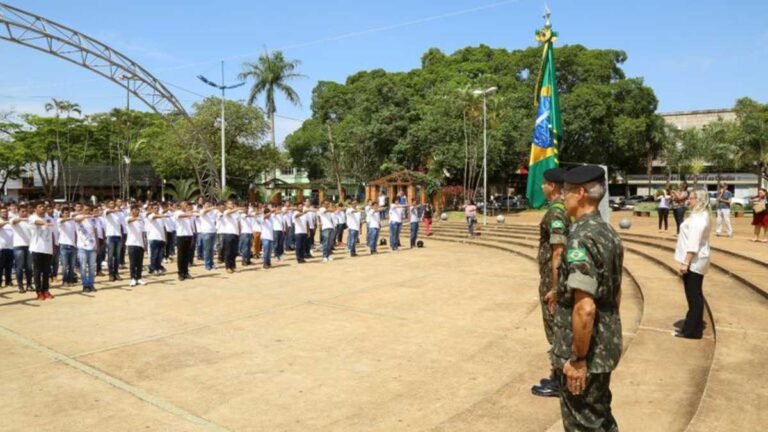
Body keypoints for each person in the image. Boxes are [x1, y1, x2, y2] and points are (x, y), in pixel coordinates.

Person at [554, 165, 623, 431]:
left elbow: (585, 308)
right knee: (599, 416)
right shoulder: (608, 232)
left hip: (587, 349)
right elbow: (616, 292)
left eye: (567, 192)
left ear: (581, 193)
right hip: (605, 341)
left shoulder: (580, 239)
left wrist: (578, 359)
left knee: (582, 422)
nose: (563, 197)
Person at [531, 167, 570, 398]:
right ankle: (557, 375)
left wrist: (554, 288)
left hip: (551, 280)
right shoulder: (562, 210)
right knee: (557, 327)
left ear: (553, 186)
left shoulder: (556, 213)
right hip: (551, 278)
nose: (542, 187)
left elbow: (558, 251)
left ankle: (560, 381)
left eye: (544, 184)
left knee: (555, 329)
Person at [674, 189, 711, 339]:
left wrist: (686, 262)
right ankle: (692, 329)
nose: (688, 200)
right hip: (696, 260)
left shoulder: (699, 219)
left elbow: (693, 243)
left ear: (699, 200)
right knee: (695, 295)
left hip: (694, 261)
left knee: (693, 296)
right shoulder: (699, 215)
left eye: (691, 198)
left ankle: (691, 331)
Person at [29, 202, 55, 300]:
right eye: (40, 206)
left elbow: (53, 233)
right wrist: (44, 223)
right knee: (37, 271)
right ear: (35, 209)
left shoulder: (50, 218)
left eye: (44, 206)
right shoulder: (32, 217)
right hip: (37, 249)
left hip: (47, 249)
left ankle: (46, 290)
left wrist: (54, 247)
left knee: (46, 271)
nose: (43, 208)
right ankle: (39, 292)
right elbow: (36, 222)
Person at [75, 205, 98, 293]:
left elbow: (95, 232)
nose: (87, 211)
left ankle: (91, 284)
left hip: (92, 247)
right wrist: (85, 215)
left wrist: (97, 245)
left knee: (92, 268)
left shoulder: (93, 220)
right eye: (85, 210)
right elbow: (77, 219)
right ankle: (85, 285)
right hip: (82, 247)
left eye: (88, 210)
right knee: (83, 267)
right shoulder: (79, 218)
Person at [11, 205, 33, 293]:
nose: (24, 213)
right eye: (22, 211)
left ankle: (29, 284)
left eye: (25, 211)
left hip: (30, 246)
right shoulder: (14, 219)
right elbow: (14, 221)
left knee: (29, 267)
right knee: (19, 267)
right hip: (18, 245)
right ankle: (20, 286)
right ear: (18, 212)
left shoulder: (30, 220)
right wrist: (24, 219)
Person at [174, 201, 195, 281]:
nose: (186, 206)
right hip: (181, 236)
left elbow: (191, 226)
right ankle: (180, 273)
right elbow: (181, 216)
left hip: (189, 235)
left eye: (187, 205)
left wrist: (192, 236)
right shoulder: (177, 212)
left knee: (187, 255)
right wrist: (191, 213)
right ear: (180, 206)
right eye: (184, 205)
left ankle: (186, 272)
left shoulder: (189, 214)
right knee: (181, 255)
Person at [126, 205, 146, 287]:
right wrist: (137, 219)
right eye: (134, 210)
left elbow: (142, 233)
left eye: (137, 210)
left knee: (140, 263)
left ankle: (139, 277)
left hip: (140, 244)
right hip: (132, 243)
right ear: (131, 211)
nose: (136, 212)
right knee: (133, 263)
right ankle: (132, 278)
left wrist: (144, 244)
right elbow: (129, 220)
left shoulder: (141, 221)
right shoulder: (127, 218)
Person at [57, 207, 78, 287]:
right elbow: (61, 220)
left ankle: (70, 280)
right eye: (65, 213)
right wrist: (70, 218)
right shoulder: (60, 220)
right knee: (65, 265)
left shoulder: (72, 222)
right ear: (62, 214)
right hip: (64, 246)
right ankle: (64, 281)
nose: (67, 214)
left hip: (73, 246)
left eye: (68, 212)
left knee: (72, 265)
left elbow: (75, 233)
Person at [103, 200, 123, 281]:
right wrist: (116, 210)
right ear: (108, 205)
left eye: (113, 203)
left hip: (118, 236)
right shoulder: (106, 211)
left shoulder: (118, 213)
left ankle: (116, 273)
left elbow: (120, 225)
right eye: (111, 203)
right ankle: (111, 274)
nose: (113, 204)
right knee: (110, 256)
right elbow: (107, 212)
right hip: (110, 236)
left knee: (117, 257)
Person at [218, 200, 241, 273]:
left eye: (232, 203)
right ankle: (228, 266)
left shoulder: (236, 213)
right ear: (226, 205)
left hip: (235, 234)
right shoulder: (225, 212)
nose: (232, 204)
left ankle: (233, 266)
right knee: (228, 251)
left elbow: (239, 223)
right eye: (230, 204)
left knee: (234, 252)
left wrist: (240, 232)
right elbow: (229, 212)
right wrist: (237, 209)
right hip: (228, 234)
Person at [146, 204, 168, 275]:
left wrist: (165, 237)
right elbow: (154, 217)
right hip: (153, 238)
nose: (156, 209)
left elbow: (164, 227)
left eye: (157, 208)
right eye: (155, 208)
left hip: (161, 238)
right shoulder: (150, 215)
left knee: (160, 255)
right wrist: (163, 216)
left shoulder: (161, 217)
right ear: (152, 209)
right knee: (154, 255)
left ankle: (158, 267)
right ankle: (153, 268)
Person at [0, 208, 15, 288]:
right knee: (0, 266)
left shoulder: (11, 221)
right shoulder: (3, 221)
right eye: (3, 212)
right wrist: (7, 222)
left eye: (6, 212)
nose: (5, 213)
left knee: (9, 266)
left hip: (11, 247)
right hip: (1, 247)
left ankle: (8, 281)